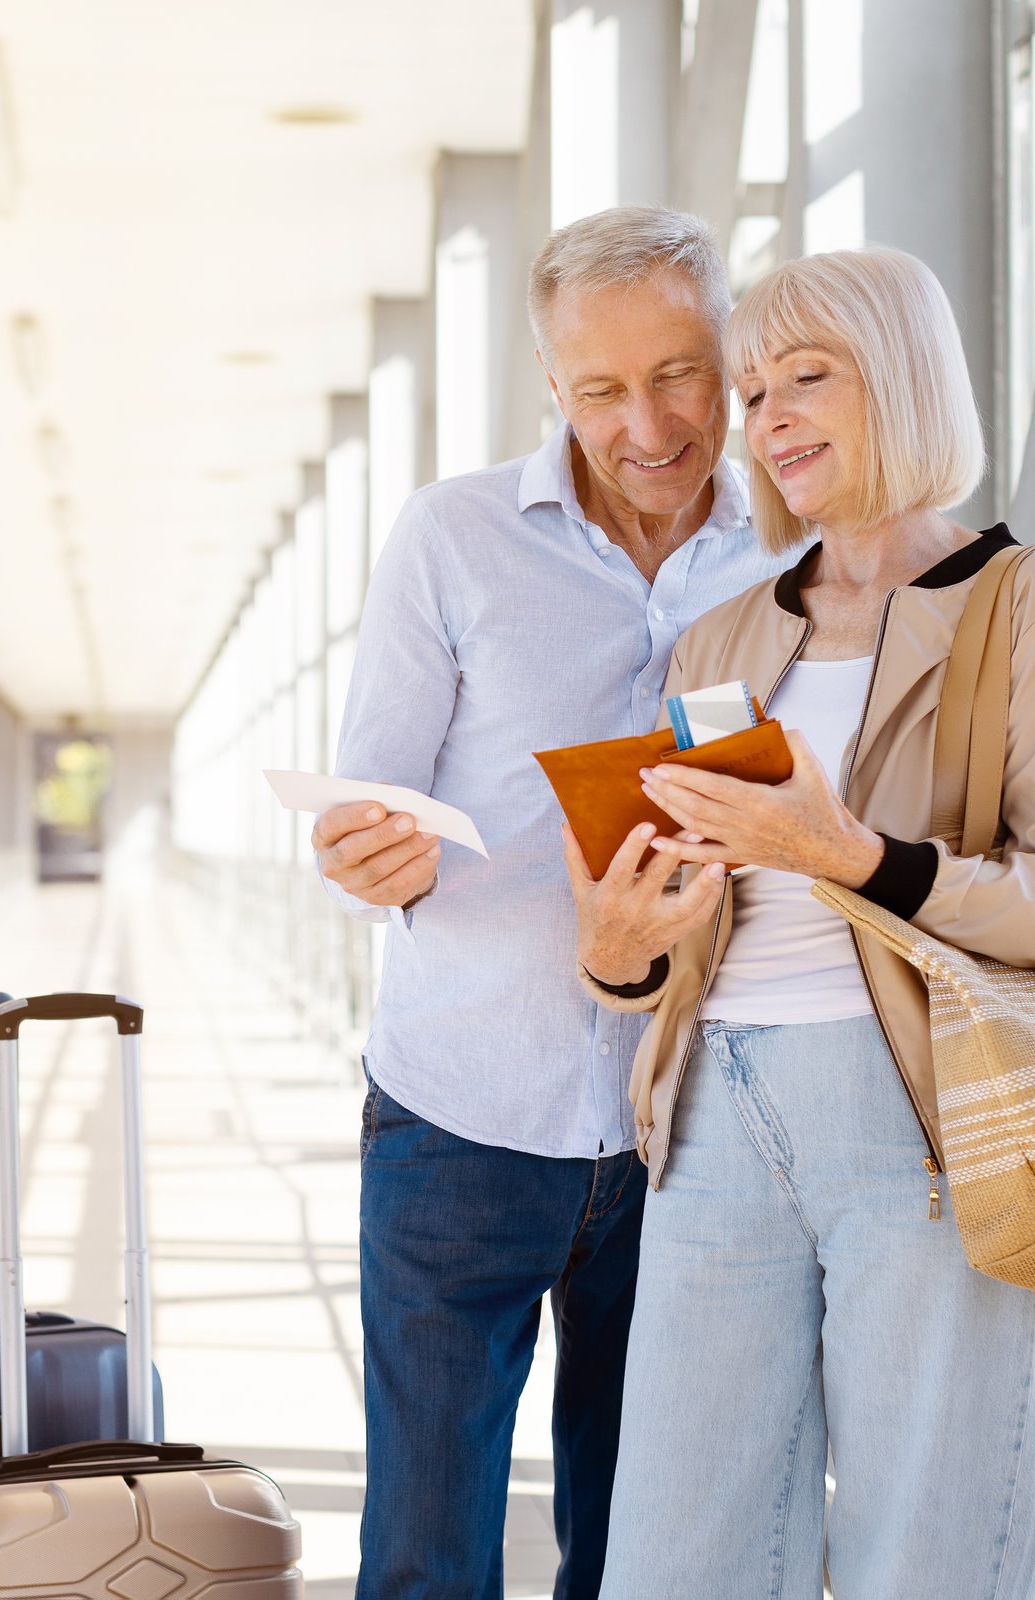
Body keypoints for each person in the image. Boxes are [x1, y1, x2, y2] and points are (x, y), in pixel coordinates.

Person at [567, 246, 1035, 1598]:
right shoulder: (722, 640)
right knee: (672, 1557)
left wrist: (851, 855)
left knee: (925, 1555)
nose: (767, 418)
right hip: (712, 1116)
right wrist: (619, 952)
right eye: (755, 388)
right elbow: (684, 917)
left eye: (806, 376)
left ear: (904, 378)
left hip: (927, 1118)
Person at [314, 206, 797, 1598]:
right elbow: (373, 801)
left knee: (644, 1541)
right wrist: (363, 858)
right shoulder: (452, 538)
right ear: (553, 389)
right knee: (425, 1550)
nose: (644, 425)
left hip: (688, 1125)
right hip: (464, 1109)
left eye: (679, 375)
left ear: (730, 356)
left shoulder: (792, 559)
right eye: (600, 390)